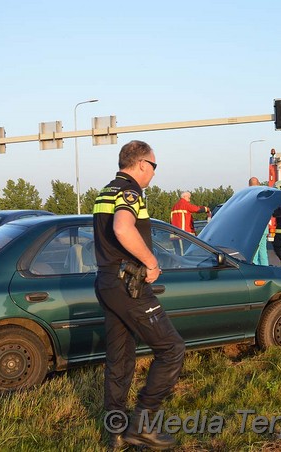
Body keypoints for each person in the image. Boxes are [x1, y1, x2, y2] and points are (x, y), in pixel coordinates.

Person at [93, 140, 185, 450]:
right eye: (154, 166)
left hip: (107, 282)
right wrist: (151, 261)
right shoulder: (130, 192)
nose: (154, 173)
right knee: (171, 349)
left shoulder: (104, 192)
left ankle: (116, 433)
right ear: (142, 164)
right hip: (128, 283)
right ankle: (142, 426)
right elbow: (122, 228)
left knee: (119, 360)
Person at [248, 176, 269, 265]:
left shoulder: (250, 196)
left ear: (249, 185)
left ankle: (256, 271)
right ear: (259, 183)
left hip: (255, 229)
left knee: (254, 253)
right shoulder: (264, 196)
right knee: (263, 252)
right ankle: (265, 269)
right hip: (264, 228)